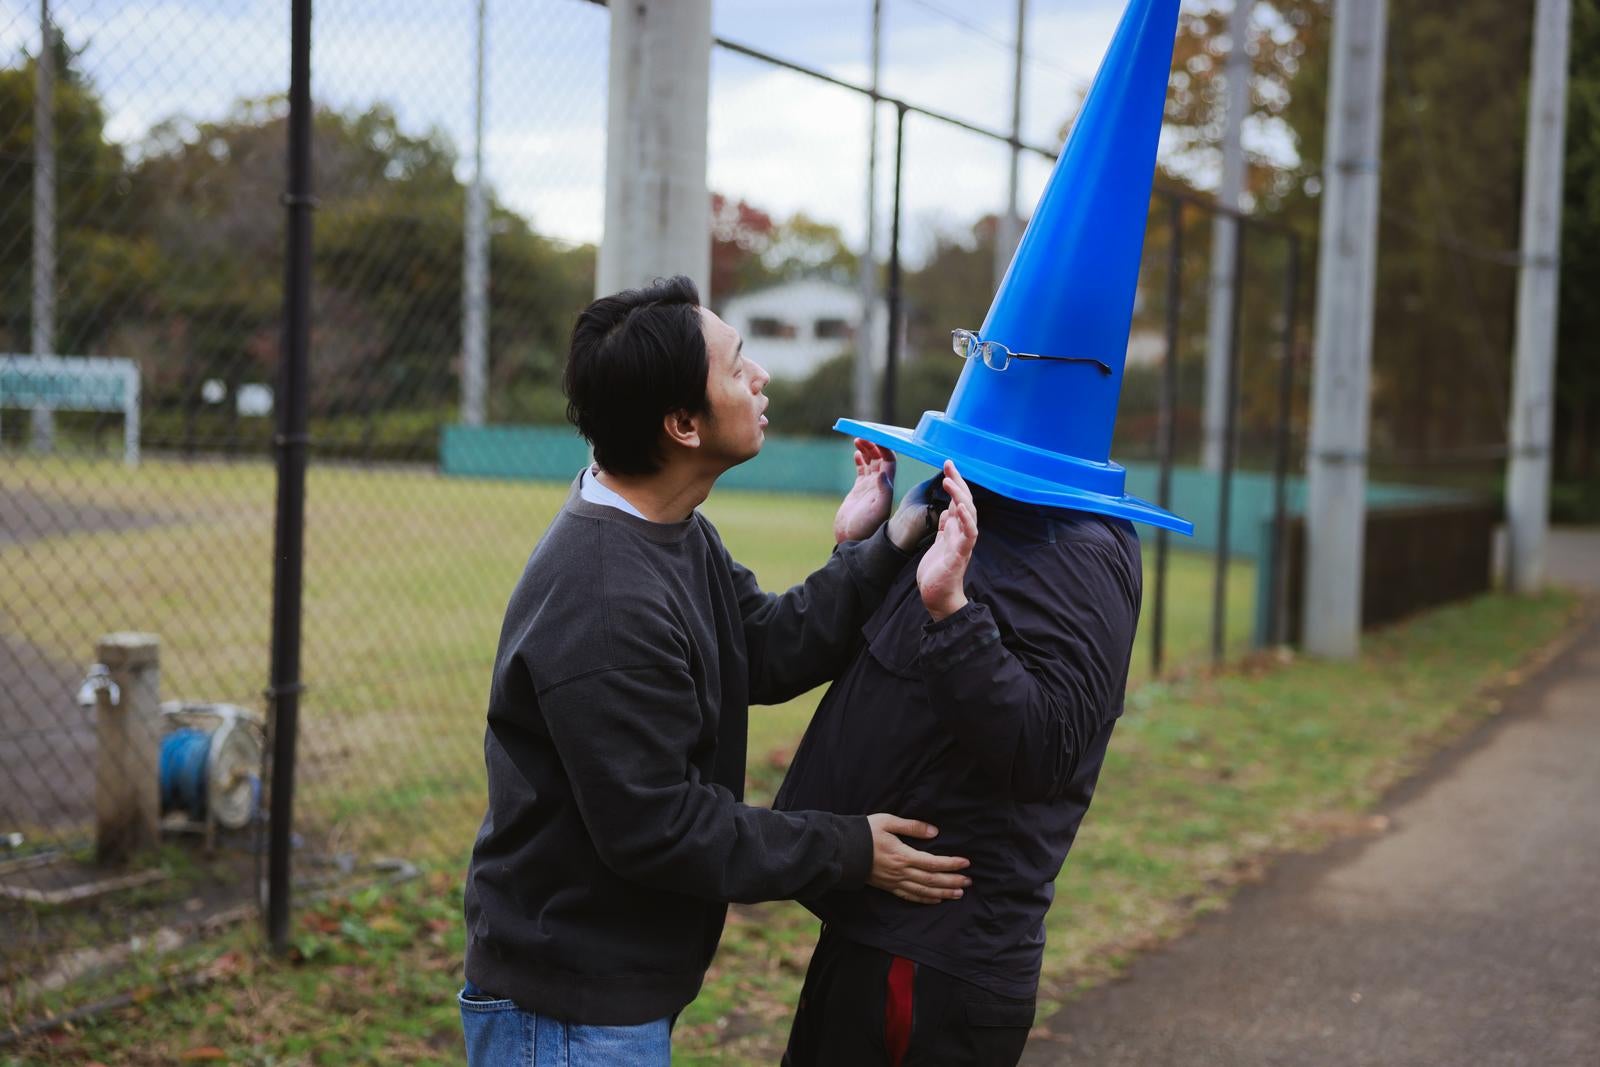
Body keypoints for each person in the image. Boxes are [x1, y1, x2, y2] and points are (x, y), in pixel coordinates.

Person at [458, 275, 972, 1067]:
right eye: (738, 367)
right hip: (565, 1011)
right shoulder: (604, 601)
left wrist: (892, 539)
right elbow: (663, 828)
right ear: (682, 425)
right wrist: (850, 849)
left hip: (605, 988)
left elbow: (762, 645)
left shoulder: (669, 530)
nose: (760, 376)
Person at [776, 476, 1142, 1067]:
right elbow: (885, 664)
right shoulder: (979, 509)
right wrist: (864, 546)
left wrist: (951, 612)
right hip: (876, 927)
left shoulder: (1075, 547)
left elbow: (1044, 746)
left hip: (932, 959)